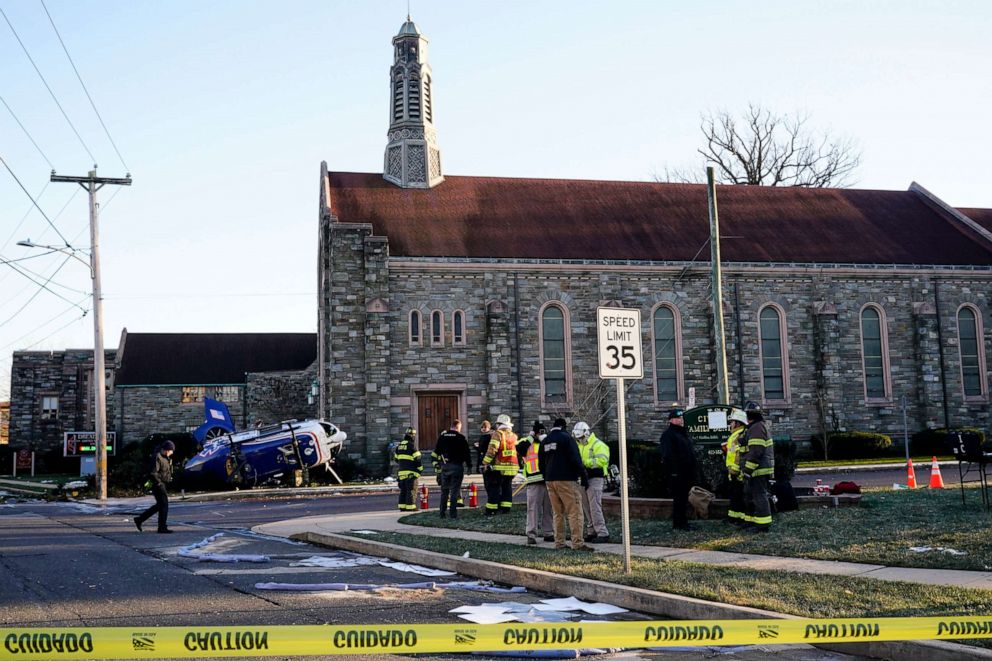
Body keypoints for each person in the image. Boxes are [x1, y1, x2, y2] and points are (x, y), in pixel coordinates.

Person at [538, 418, 593, 552]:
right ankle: (578, 543)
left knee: (558, 513)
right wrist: (583, 476)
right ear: (564, 426)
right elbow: (575, 458)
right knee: (575, 511)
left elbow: (541, 462)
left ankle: (559, 543)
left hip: (550, 480)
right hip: (567, 479)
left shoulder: (545, 440)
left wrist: (547, 476)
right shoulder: (566, 438)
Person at [516, 420, 554, 545]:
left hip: (548, 480)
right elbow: (519, 449)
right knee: (533, 509)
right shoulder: (526, 442)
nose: (540, 434)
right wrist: (531, 437)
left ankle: (549, 533)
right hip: (533, 481)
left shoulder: (547, 442)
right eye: (538, 432)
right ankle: (531, 534)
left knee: (549, 509)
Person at [659, 407, 696, 531]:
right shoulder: (668, 435)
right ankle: (679, 523)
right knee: (679, 499)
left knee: (683, 499)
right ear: (671, 420)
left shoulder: (682, 434)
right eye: (678, 418)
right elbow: (668, 456)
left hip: (686, 472)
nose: (681, 420)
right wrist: (673, 472)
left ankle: (683, 522)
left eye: (681, 418)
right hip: (677, 474)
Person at [574, 421, 610, 543]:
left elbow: (602, 461)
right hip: (583, 479)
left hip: (595, 478)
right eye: (578, 438)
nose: (580, 440)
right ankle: (591, 531)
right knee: (586, 506)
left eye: (581, 437)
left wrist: (586, 464)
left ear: (587, 433)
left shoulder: (598, 445)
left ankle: (602, 533)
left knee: (595, 507)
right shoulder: (578, 445)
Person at [741, 401, 774, 533]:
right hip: (756, 469)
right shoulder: (754, 427)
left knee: (759, 496)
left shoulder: (757, 428)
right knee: (751, 495)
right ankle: (751, 521)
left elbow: (756, 451)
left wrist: (748, 469)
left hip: (758, 469)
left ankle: (763, 525)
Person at [134, 440, 175, 534]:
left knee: (160, 506)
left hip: (162, 483)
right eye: (171, 450)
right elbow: (153, 472)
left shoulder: (165, 458)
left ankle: (140, 519)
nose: (172, 453)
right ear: (166, 450)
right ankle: (162, 527)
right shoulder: (157, 457)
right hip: (158, 485)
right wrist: (159, 483)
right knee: (164, 505)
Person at [432, 420, 471, 518]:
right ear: (458, 427)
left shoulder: (442, 437)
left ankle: (442, 513)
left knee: (444, 491)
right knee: (454, 491)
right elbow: (467, 454)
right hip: (457, 466)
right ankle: (453, 514)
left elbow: (436, 452)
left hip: (445, 467)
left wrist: (437, 464)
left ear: (451, 426)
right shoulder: (461, 438)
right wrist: (469, 466)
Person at [481, 413, 518, 515]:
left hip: (500, 467)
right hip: (512, 468)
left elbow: (492, 449)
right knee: (507, 488)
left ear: (499, 424)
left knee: (494, 488)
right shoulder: (514, 436)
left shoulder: (498, 434)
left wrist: (485, 462)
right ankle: (505, 508)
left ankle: (491, 509)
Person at [723, 408, 748, 526]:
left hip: (737, 472)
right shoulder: (735, 435)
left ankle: (740, 519)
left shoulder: (740, 435)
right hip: (733, 471)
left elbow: (739, 454)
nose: (730, 424)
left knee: (739, 496)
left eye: (732, 421)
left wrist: (735, 470)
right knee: (735, 495)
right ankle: (733, 517)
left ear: (738, 423)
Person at [394, 427, 422, 511]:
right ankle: (411, 507)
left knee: (403, 490)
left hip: (401, 472)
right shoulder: (412, 445)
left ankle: (402, 506)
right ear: (413, 436)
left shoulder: (399, 445)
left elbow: (396, 459)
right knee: (411, 490)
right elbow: (418, 459)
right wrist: (420, 469)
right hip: (411, 473)